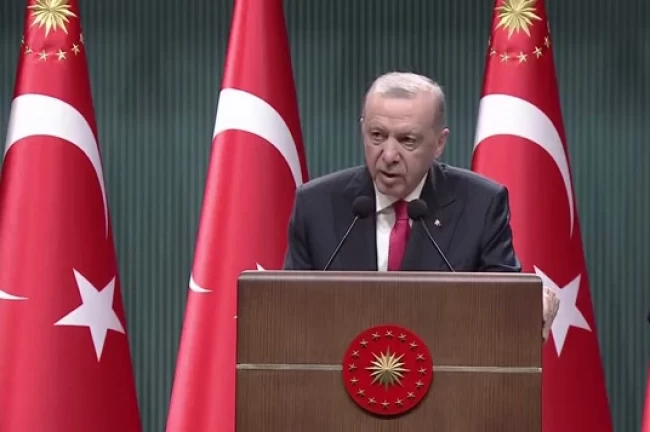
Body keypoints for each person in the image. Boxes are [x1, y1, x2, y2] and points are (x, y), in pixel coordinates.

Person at [282, 71, 558, 337]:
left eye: (407, 140)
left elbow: (505, 299)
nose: (388, 155)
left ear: (439, 143)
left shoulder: (480, 205)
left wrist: (527, 304)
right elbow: (291, 308)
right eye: (377, 135)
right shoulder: (316, 205)